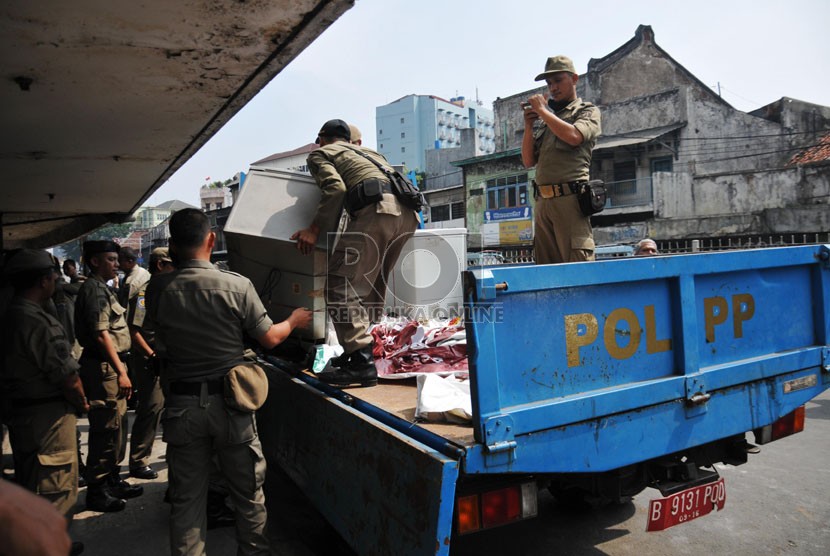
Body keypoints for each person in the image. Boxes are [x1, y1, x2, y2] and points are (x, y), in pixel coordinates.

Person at [144, 208, 312, 556]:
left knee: (187, 501)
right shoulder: (236, 285)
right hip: (231, 407)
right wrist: (294, 320)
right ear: (210, 239)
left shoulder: (159, 290)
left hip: (182, 408)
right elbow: (270, 338)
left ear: (173, 245)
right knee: (248, 495)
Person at [291, 119, 419, 388]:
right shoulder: (371, 153)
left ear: (321, 139)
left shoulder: (321, 154)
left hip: (378, 212)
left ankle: (361, 363)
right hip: (408, 216)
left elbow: (335, 189)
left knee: (339, 285)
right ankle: (358, 352)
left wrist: (314, 230)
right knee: (370, 284)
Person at [0, 249, 88, 556]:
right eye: (53, 278)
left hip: (22, 413)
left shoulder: (11, 314)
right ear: (42, 282)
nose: (56, 283)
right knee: (56, 488)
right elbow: (68, 378)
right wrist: (83, 404)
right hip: (47, 417)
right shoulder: (37, 321)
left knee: (31, 479)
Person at [74, 240, 142, 512]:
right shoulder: (94, 290)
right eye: (111, 259)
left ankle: (112, 479)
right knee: (106, 428)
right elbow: (102, 335)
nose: (117, 264)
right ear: (94, 262)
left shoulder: (103, 288)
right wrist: (120, 371)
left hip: (111, 367)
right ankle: (97, 490)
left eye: (117, 259)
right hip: (104, 368)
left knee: (117, 426)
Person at [521, 55, 602, 265]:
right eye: (549, 83)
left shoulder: (586, 111)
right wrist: (529, 126)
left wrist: (542, 111)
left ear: (574, 79)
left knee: (577, 266)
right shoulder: (548, 121)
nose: (553, 88)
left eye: (558, 80)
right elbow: (529, 161)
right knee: (546, 271)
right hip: (543, 203)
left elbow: (574, 137)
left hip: (570, 200)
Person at [124, 248, 173, 480]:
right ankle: (138, 461)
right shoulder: (145, 294)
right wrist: (152, 355)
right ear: (161, 265)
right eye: (173, 265)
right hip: (148, 359)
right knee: (151, 408)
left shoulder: (166, 290)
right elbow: (133, 331)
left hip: (164, 357)